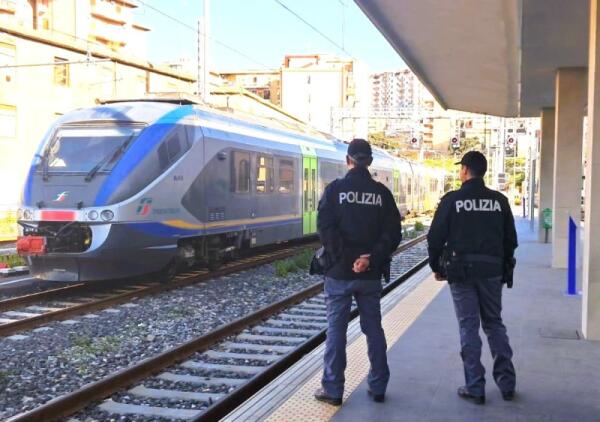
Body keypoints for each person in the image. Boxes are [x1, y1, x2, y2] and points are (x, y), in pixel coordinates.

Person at [314, 138, 402, 406]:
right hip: (369, 274)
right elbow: (393, 233)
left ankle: (333, 389)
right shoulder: (382, 194)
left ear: (348, 160)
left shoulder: (334, 191)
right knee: (373, 328)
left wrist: (345, 258)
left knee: (336, 330)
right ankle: (378, 385)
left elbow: (325, 229)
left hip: (339, 273)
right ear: (370, 162)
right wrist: (369, 258)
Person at [427, 151, 518, 405]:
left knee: (468, 326)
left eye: (461, 168)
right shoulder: (499, 201)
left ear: (465, 170)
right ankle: (507, 384)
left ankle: (475, 387)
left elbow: (435, 238)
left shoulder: (452, 200)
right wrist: (502, 265)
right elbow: (511, 240)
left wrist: (436, 266)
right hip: (492, 272)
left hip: (461, 272)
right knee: (494, 323)